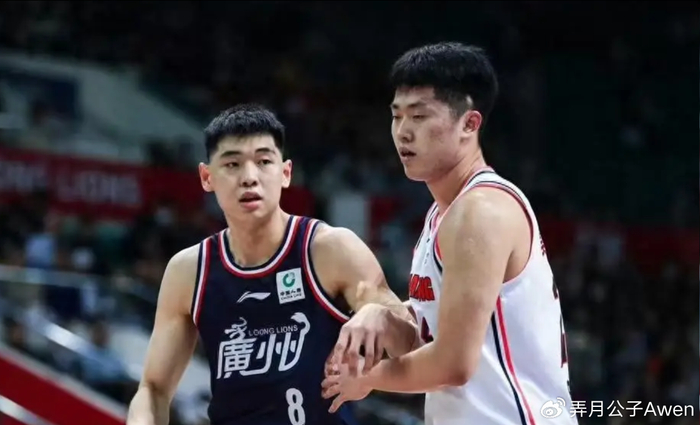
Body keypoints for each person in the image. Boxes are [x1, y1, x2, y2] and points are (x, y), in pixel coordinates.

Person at [322, 42, 577, 425]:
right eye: (396, 116)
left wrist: (367, 380)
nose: (403, 132)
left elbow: (453, 364)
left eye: (419, 116)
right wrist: (383, 317)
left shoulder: (480, 211)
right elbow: (425, 343)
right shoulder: (441, 215)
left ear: (469, 124)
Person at [127, 104, 418, 425]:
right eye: (232, 164)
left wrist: (381, 317)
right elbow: (153, 389)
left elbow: (414, 346)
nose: (249, 178)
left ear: (285, 173)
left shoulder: (330, 249)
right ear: (207, 177)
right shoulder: (190, 271)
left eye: (264, 162)